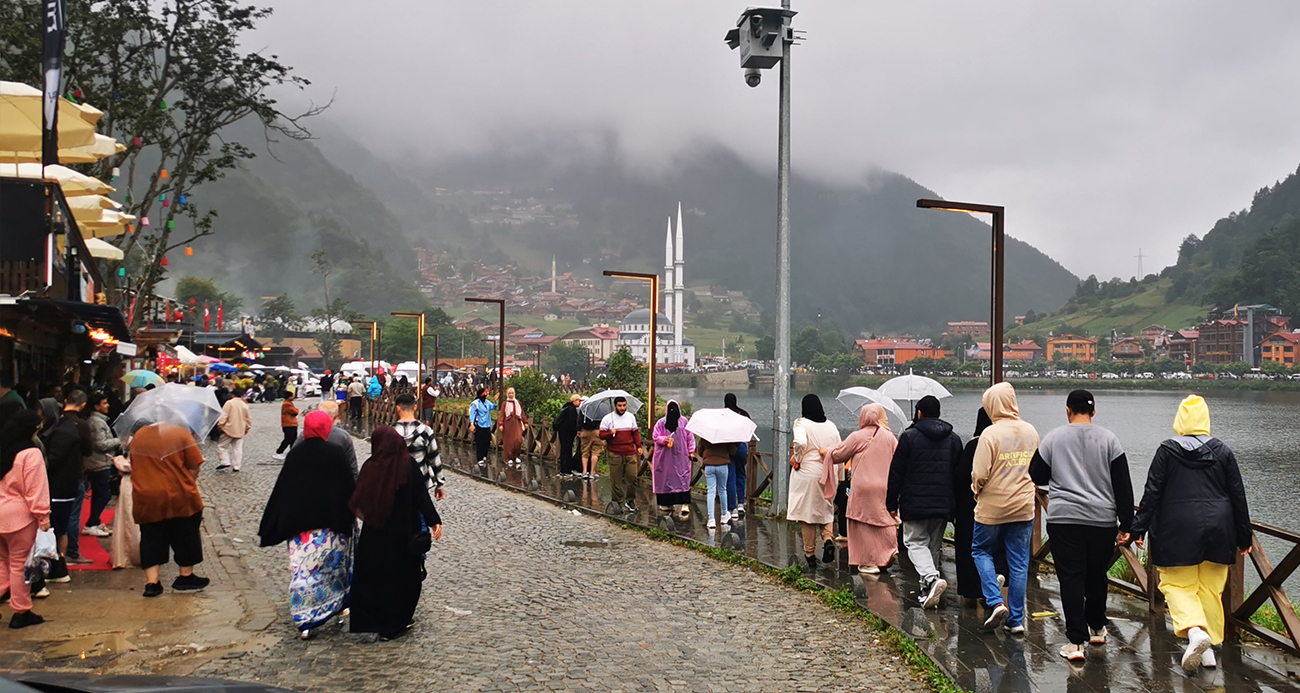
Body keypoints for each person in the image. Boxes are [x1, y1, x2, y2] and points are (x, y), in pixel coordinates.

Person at [1130, 394, 1251, 673]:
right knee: (1209, 588)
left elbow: (1153, 493)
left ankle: (1195, 632)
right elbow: (1238, 497)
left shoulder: (1167, 451)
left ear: (1180, 420)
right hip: (1219, 527)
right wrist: (1244, 536)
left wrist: (1139, 527)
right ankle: (1208, 652)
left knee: (1177, 585)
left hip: (1176, 527)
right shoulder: (1223, 451)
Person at [1029, 389, 1133, 662]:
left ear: (1067, 410)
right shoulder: (1110, 440)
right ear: (1094, 412)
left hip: (1065, 519)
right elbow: (1123, 484)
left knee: (1071, 577)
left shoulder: (1053, 438)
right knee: (1097, 574)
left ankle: (1076, 643)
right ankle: (1097, 628)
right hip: (1102, 520)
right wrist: (1127, 523)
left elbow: (1036, 474)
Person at [258, 411, 357, 638]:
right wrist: (350, 517)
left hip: (301, 529)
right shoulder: (336, 453)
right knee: (333, 570)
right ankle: (338, 606)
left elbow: (284, 488)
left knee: (303, 572)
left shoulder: (296, 454)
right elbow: (346, 486)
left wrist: (276, 521)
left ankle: (305, 618)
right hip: (330, 527)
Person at [349, 426, 442, 641]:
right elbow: (421, 496)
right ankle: (395, 623)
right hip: (403, 532)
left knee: (375, 576)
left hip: (375, 532)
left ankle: (373, 620)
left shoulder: (371, 467)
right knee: (403, 578)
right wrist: (433, 520)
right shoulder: (407, 465)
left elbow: (359, 497)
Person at [971, 382, 1039, 635]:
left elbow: (979, 472)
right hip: (1023, 505)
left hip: (993, 505)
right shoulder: (1031, 431)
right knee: (1019, 562)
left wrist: (976, 489)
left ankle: (995, 601)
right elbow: (1037, 467)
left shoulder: (990, 433)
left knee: (981, 551)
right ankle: (1016, 620)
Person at [888, 395, 964, 609]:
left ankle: (931, 579)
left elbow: (897, 473)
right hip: (944, 503)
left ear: (919, 413)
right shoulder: (954, 439)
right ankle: (927, 590)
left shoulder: (909, 437)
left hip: (915, 502)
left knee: (914, 542)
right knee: (932, 546)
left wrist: (891, 503)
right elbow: (959, 475)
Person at [127, 420, 208, 597]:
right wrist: (190, 480)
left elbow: (133, 463)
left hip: (146, 494)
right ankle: (185, 576)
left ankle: (152, 583)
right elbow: (194, 463)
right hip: (178, 492)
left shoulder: (138, 436)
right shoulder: (180, 433)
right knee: (186, 533)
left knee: (150, 536)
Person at [827, 403, 898, 576]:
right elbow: (898, 459)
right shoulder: (889, 437)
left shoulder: (857, 436)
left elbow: (838, 455)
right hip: (884, 486)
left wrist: (826, 451)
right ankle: (887, 552)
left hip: (862, 487)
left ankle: (867, 562)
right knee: (883, 520)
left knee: (861, 522)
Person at [0, 410, 51, 628]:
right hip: (20, 516)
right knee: (19, 564)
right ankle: (21, 610)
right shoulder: (31, 453)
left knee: (2, 562)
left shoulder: (4, 449)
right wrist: (43, 516)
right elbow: (35, 488)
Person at [954, 408, 1008, 603]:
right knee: (997, 547)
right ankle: (995, 581)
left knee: (973, 549)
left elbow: (960, 476)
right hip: (1003, 505)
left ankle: (972, 589)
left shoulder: (973, 445)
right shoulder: (1004, 443)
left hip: (972, 507)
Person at [42, 392, 91, 579]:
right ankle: (68, 555)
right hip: (69, 479)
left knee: (62, 522)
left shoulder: (61, 431)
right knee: (70, 518)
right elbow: (88, 449)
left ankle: (60, 562)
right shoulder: (78, 426)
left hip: (60, 483)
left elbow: (54, 460)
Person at [789, 394, 841, 569]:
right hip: (829, 471)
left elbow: (801, 442)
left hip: (808, 472)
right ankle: (827, 539)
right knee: (826, 510)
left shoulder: (801, 423)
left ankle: (810, 554)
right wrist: (838, 477)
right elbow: (839, 451)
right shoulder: (831, 426)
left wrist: (797, 458)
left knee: (807, 514)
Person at [393, 393, 445, 501]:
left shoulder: (389, 432)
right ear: (415, 407)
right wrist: (439, 483)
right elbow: (434, 459)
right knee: (420, 514)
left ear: (397, 408)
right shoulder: (425, 431)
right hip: (420, 480)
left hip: (395, 482)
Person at [82, 392, 121, 538]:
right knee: (104, 494)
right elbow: (100, 444)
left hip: (101, 462)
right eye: (104, 403)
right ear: (97, 407)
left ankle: (95, 521)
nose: (108, 405)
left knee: (100, 493)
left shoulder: (99, 421)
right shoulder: (97, 422)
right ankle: (91, 523)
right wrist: (119, 441)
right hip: (99, 463)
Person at [292, 400, 358, 479]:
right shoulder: (343, 436)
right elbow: (352, 465)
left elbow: (293, 457)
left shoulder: (305, 434)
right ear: (336, 416)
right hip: (335, 481)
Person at [599, 397, 643, 513]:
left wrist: (638, 446)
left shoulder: (630, 417)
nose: (622, 408)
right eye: (620, 406)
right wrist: (610, 433)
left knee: (632, 477)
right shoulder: (608, 419)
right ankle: (618, 501)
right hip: (615, 453)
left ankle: (630, 500)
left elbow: (635, 433)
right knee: (616, 480)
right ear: (615, 406)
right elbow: (601, 435)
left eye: (624, 405)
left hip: (629, 452)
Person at [652, 401, 695, 518]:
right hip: (664, 456)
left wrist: (691, 451)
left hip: (681, 456)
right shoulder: (661, 423)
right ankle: (666, 503)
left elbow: (690, 437)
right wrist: (664, 439)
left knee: (682, 478)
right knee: (665, 478)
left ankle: (684, 503)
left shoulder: (684, 422)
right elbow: (655, 436)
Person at [697, 436, 736, 529]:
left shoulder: (706, 434)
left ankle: (711, 519)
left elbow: (700, 452)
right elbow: (733, 451)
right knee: (722, 490)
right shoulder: (725, 435)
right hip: (723, 465)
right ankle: (723, 515)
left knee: (711, 491)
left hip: (709, 465)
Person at [723, 393, 751, 518]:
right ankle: (741, 503)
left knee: (730, 476)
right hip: (741, 447)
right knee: (741, 474)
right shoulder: (743, 414)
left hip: (728, 448)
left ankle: (732, 507)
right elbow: (749, 430)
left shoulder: (723, 415)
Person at [216, 387, 251, 472]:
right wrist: (247, 428)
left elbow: (224, 415)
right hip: (240, 429)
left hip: (228, 429)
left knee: (222, 446)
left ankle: (225, 461)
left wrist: (220, 424)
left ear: (232, 395)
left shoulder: (229, 403)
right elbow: (248, 419)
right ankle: (236, 466)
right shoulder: (244, 405)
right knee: (237, 449)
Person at [552, 394, 582, 478]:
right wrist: (576, 430)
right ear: (575, 401)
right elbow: (572, 422)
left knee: (563, 450)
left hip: (562, 432)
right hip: (567, 433)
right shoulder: (572, 409)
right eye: (579, 401)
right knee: (567, 451)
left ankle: (562, 470)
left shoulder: (566, 407)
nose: (580, 403)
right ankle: (567, 470)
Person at [469, 389, 497, 466]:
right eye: (486, 394)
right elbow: (472, 414)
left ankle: (485, 455)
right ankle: (480, 458)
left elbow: (493, 407)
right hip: (479, 424)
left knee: (487, 440)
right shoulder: (476, 403)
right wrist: (472, 424)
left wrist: (495, 401)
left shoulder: (487, 402)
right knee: (480, 442)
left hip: (487, 424)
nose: (488, 396)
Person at [578, 398, 604, 480]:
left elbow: (579, 419)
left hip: (585, 431)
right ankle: (592, 472)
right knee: (595, 452)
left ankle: (584, 472)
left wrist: (578, 429)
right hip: (597, 431)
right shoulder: (603, 407)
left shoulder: (586, 406)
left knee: (585, 452)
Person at [500, 387, 526, 466]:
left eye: (512, 393)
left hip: (517, 424)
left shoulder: (517, 402)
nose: (511, 395)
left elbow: (522, 413)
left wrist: (525, 422)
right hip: (508, 424)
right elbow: (502, 414)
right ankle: (508, 458)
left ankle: (516, 456)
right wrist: (501, 424)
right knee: (509, 441)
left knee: (518, 440)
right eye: (509, 393)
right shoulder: (505, 404)